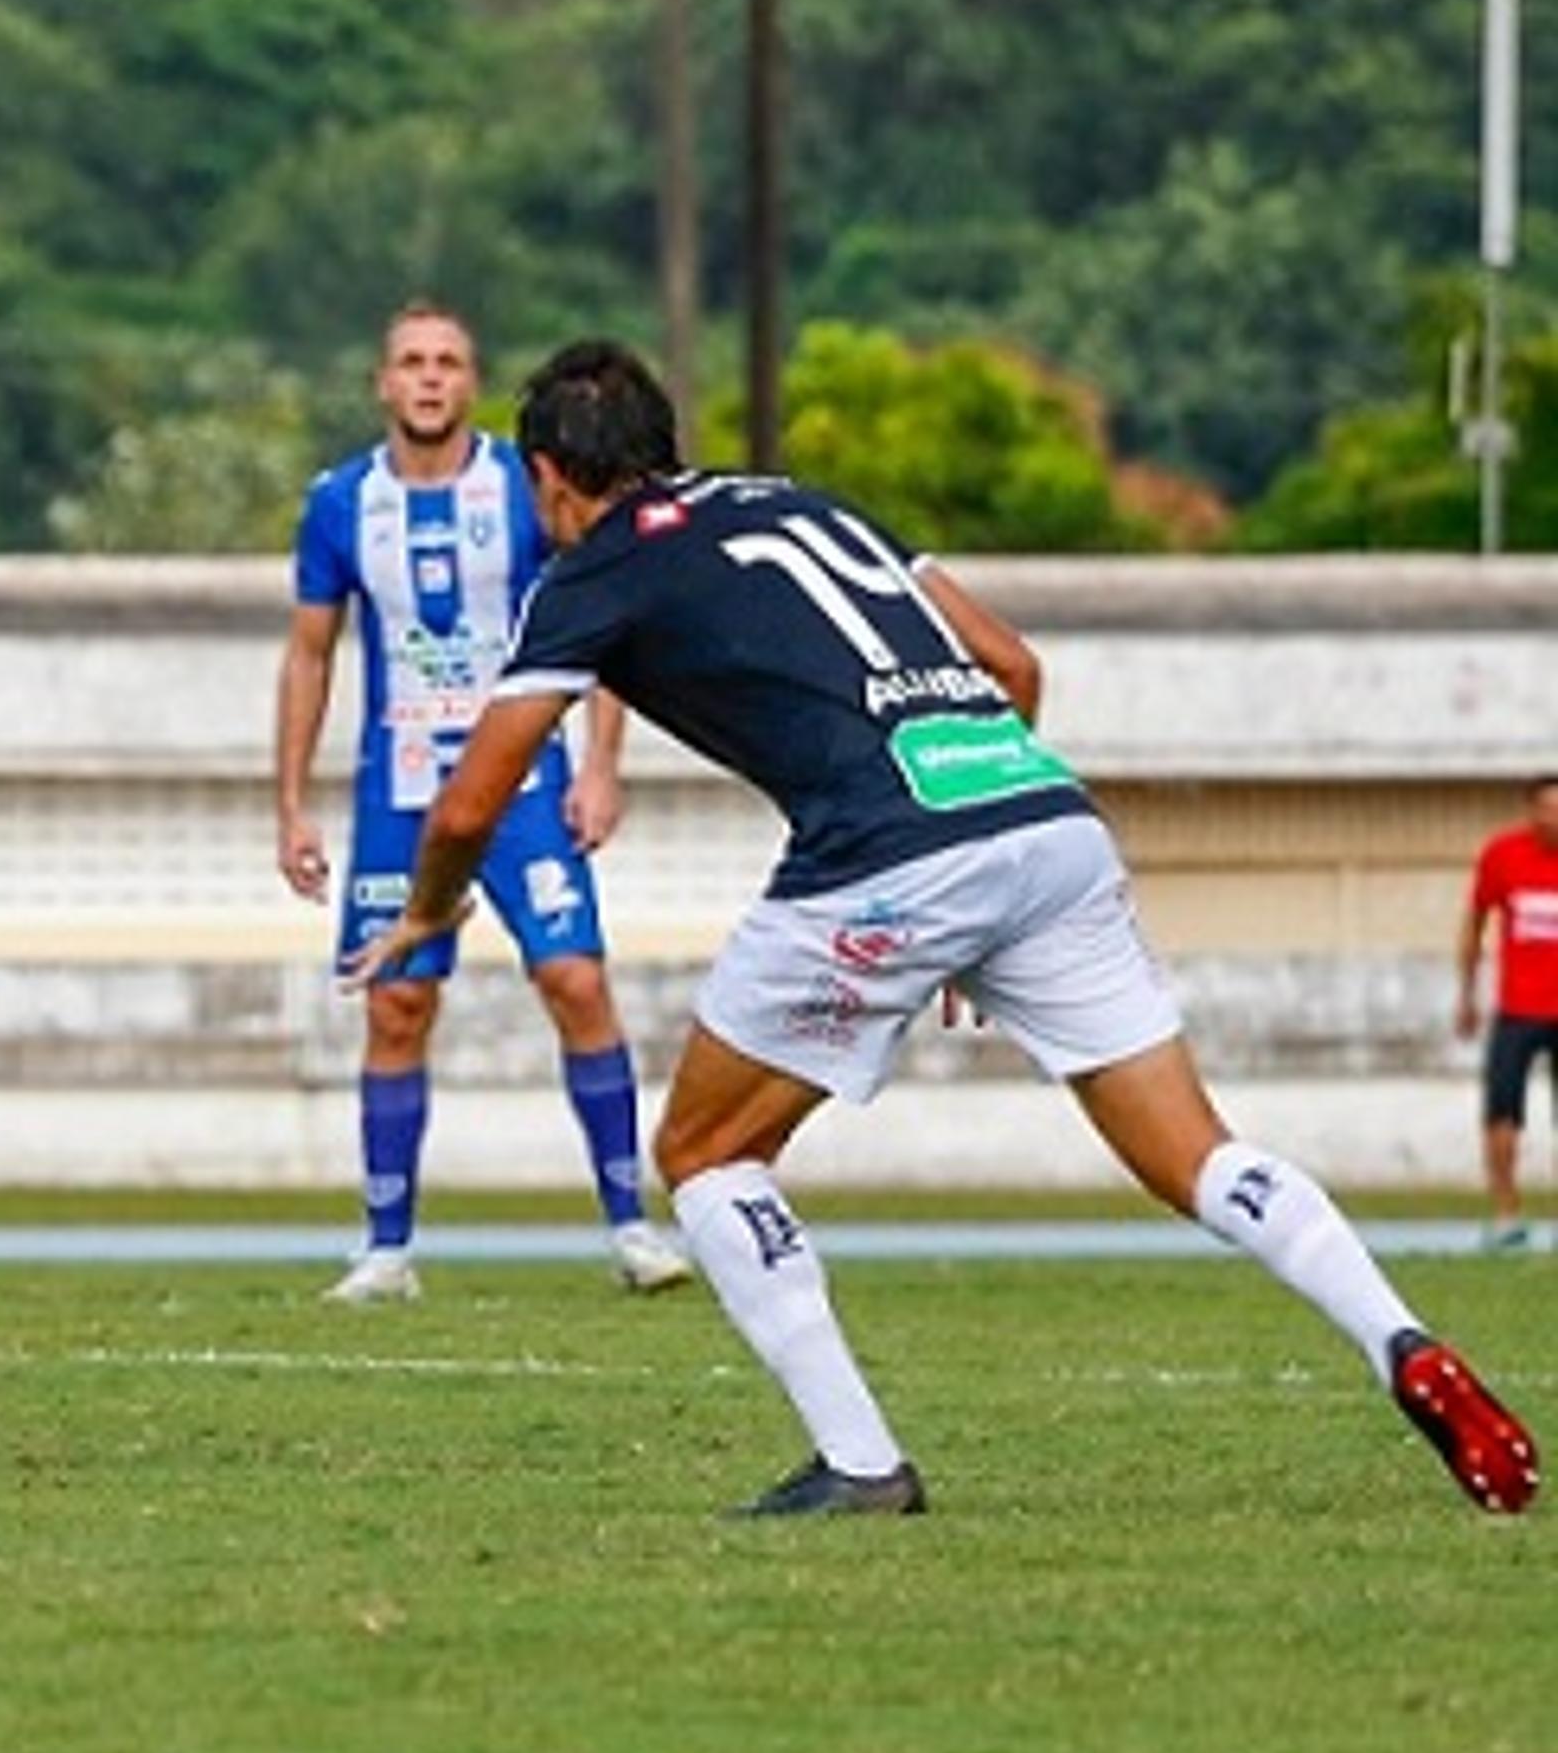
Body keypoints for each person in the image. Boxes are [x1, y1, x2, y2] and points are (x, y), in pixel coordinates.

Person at [349, 338, 1540, 1518]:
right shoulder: (804, 503)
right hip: (1042, 823)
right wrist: (982, 922)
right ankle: (1402, 1340)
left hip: (886, 858)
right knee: (1201, 1157)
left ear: (553, 477)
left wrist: (432, 907)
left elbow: (469, 800)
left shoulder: (596, 568)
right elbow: (1011, 665)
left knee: (707, 1154)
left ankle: (862, 1463)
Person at [278, 303, 691, 1304]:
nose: (429, 379)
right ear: (383, 382)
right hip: (400, 790)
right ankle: (386, 1249)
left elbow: (606, 611)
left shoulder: (522, 484)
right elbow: (310, 651)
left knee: (576, 982)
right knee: (398, 1002)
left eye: (449, 363)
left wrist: (601, 762)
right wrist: (291, 805)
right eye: (411, 363)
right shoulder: (340, 504)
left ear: (473, 382)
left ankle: (632, 1226)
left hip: (524, 780)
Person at [1457, 775, 1558, 1253]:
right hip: (1518, 1009)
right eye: (1547, 809)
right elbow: (1475, 923)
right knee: (1502, 1113)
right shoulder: (1503, 855)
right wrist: (1467, 995)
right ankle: (1506, 1212)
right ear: (1531, 810)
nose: (1554, 818)